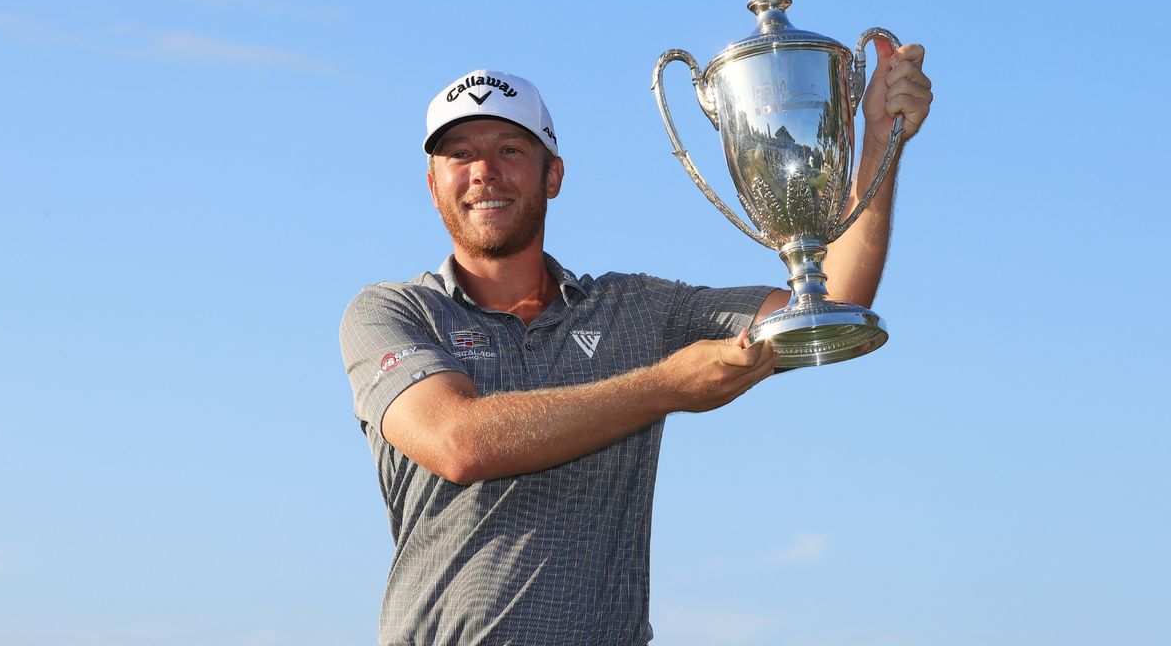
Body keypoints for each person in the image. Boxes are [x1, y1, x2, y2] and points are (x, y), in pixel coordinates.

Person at [341, 44, 932, 645]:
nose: (484, 172)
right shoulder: (393, 312)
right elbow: (458, 443)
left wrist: (881, 145)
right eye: (460, 155)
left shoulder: (635, 310)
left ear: (554, 175)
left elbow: (827, 308)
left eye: (510, 150)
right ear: (433, 184)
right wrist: (663, 388)